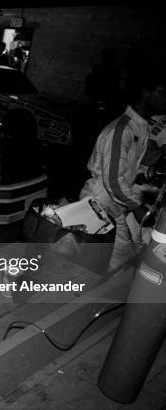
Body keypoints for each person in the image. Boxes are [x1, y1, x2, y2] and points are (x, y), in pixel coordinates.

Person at [79, 69, 166, 274]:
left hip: (114, 204)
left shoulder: (140, 127)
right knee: (107, 264)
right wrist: (137, 208)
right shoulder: (123, 129)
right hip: (100, 204)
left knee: (116, 262)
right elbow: (114, 180)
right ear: (145, 93)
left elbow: (127, 170)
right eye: (162, 93)